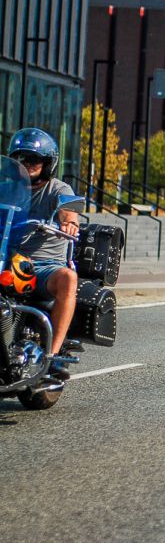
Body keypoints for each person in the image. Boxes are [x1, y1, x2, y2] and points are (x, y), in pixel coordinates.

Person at [8, 128, 79, 380]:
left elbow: (69, 211)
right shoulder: (7, 189)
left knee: (68, 278)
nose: (26, 164)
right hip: (9, 261)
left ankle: (53, 355)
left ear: (48, 162)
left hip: (43, 267)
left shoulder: (60, 188)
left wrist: (69, 222)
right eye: (20, 158)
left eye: (33, 159)